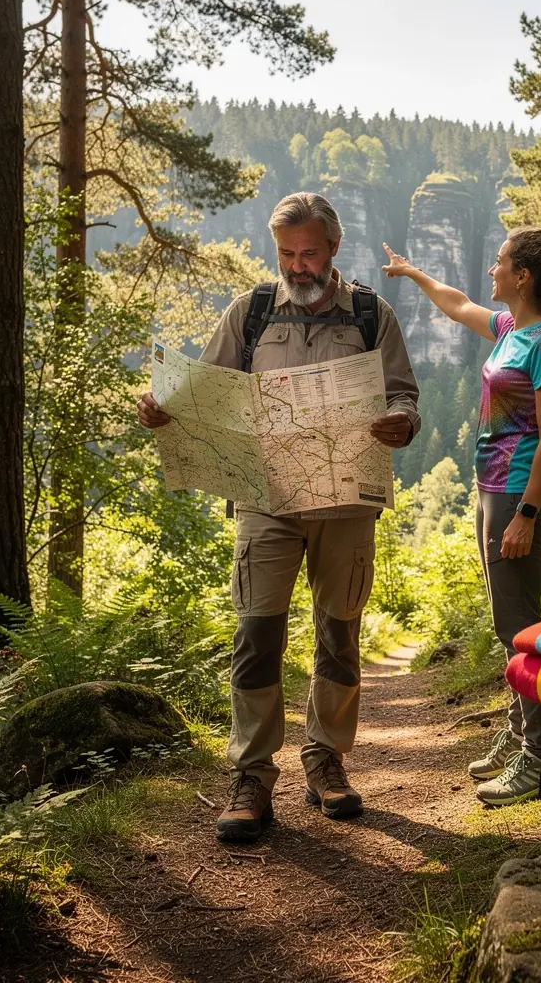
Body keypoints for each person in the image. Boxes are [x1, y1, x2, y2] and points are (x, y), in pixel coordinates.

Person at [138, 193, 420, 842]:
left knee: (338, 634)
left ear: (333, 249)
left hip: (347, 501)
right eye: (287, 253)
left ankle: (327, 762)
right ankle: (252, 777)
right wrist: (160, 408)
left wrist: (402, 422)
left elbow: (403, 392)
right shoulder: (252, 312)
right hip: (264, 498)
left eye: (309, 253)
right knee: (256, 635)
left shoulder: (372, 314)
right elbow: (198, 394)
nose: (297, 265)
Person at [382, 228, 541, 806]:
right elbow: (457, 306)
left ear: (522, 276)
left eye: (500, 262)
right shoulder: (510, 329)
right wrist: (413, 274)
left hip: (519, 493)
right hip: (493, 489)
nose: (492, 270)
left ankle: (537, 756)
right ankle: (516, 735)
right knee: (511, 620)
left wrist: (526, 513)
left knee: (518, 625)